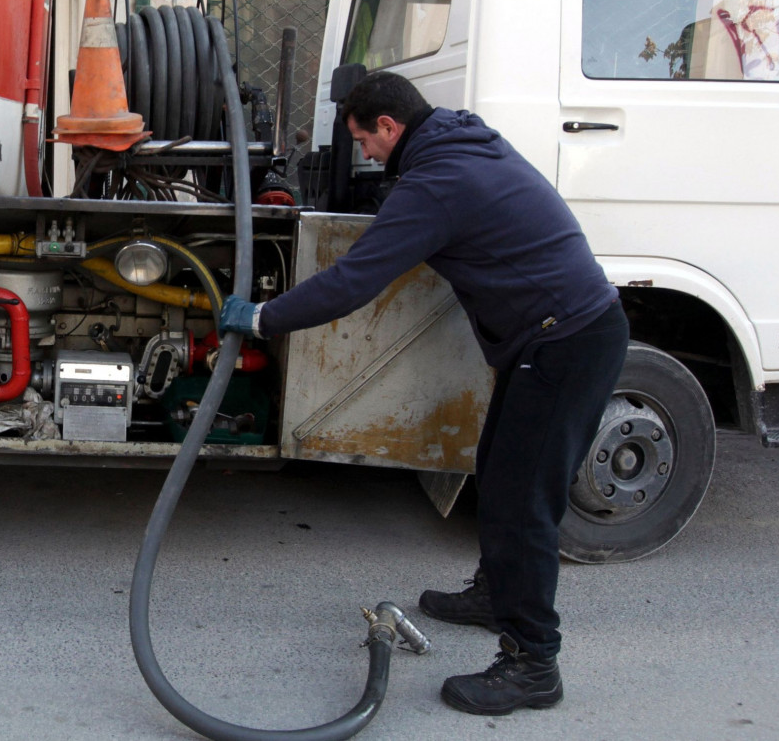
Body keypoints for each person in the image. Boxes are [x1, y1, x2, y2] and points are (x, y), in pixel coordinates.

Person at [219, 71, 629, 715]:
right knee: (497, 476)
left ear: (389, 126)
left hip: (567, 344)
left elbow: (355, 281)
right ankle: (497, 593)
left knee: (524, 503)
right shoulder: (460, 143)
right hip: (553, 338)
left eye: (367, 142)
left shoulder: (440, 181)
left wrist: (264, 318)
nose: (369, 156)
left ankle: (533, 663)